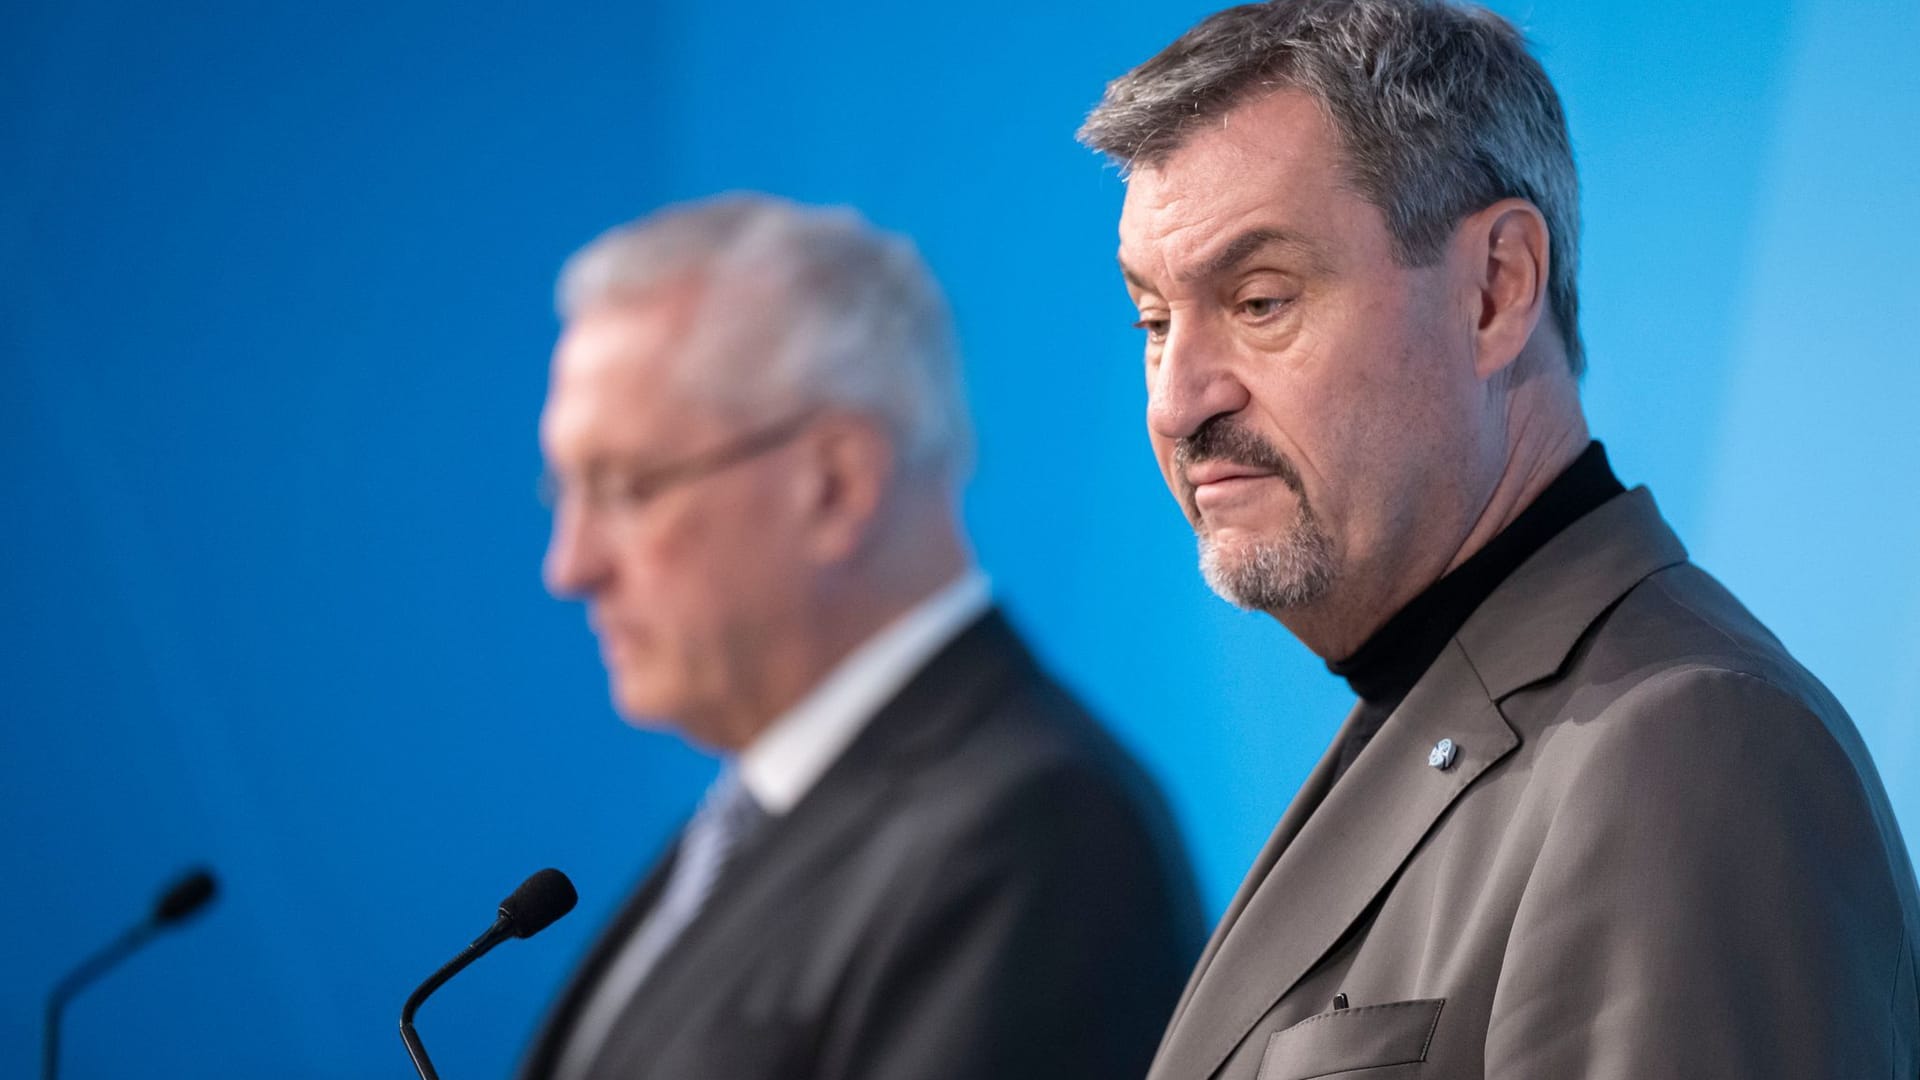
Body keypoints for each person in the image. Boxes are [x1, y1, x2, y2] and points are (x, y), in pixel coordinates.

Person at [1076, 2, 1920, 1077]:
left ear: (1495, 289)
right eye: (1154, 323)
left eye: (1258, 299)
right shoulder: (1444, 711)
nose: (1178, 400)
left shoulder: (1683, 749)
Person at [520, 194, 1202, 1080]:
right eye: (563, 491)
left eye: (628, 489)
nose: (569, 567)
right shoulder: (755, 820)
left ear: (835, 486)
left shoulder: (1034, 838)